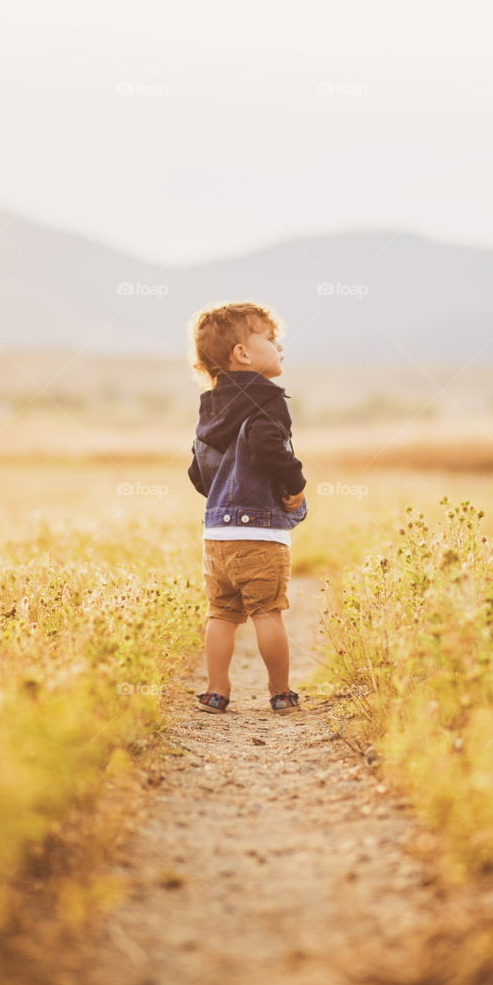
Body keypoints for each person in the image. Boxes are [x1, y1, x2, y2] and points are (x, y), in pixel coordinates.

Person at [186, 301, 308, 715]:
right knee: (267, 612)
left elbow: (197, 469)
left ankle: (216, 692)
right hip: (259, 531)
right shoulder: (267, 399)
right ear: (243, 353)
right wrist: (295, 483)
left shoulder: (210, 407)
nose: (280, 347)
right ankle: (280, 692)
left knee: (221, 614)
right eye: (271, 340)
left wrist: (222, 499)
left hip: (217, 534)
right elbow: (266, 446)